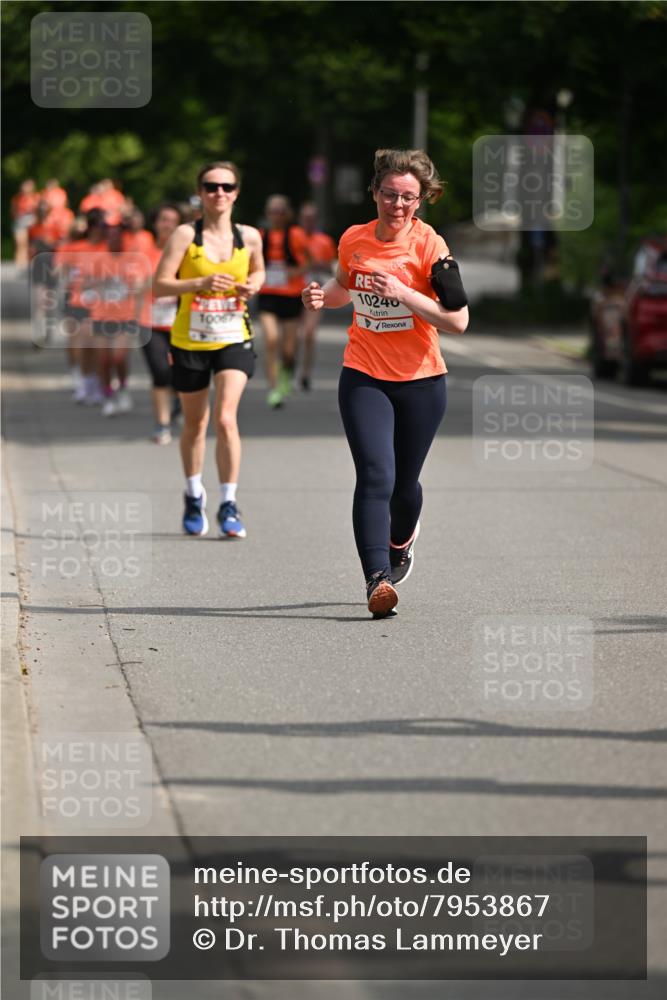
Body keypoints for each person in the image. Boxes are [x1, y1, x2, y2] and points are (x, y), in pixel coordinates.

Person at [302, 148, 469, 618]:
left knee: (404, 484)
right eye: (390, 195)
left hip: (420, 379)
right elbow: (344, 287)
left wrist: (404, 293)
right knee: (375, 475)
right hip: (363, 373)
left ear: (422, 201)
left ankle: (401, 541)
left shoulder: (430, 246)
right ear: (374, 193)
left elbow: (457, 320)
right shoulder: (354, 239)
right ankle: (377, 580)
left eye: (408, 198)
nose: (398, 205)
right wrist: (322, 297)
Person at [154, 161, 265, 538]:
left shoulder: (248, 236)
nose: (219, 193)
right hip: (190, 339)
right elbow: (160, 285)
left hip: (234, 335)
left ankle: (229, 503)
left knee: (226, 419)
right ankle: (193, 493)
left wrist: (253, 284)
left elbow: (259, 270)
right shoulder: (186, 235)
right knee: (195, 423)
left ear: (236, 192)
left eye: (226, 186)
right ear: (200, 192)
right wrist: (199, 281)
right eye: (211, 186)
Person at [136, 203, 182, 443]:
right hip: (150, 321)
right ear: (155, 223)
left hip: (180, 322)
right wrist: (159, 276)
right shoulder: (144, 252)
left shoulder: (186, 252)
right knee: (160, 372)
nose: (168, 225)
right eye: (164, 219)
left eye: (173, 220)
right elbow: (135, 286)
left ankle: (178, 402)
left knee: (181, 373)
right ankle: (162, 425)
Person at [258, 195, 309, 408]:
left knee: (288, 350)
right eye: (272, 211)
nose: (276, 215)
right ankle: (274, 388)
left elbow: (309, 262)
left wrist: (294, 272)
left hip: (290, 294)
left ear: (287, 213)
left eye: (280, 211)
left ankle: (286, 375)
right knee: (270, 339)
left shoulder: (296, 234)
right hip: (268, 293)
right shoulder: (261, 235)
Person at [297, 202, 337, 390]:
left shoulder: (325, 241)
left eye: (312, 219)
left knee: (309, 334)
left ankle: (305, 373)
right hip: (292, 290)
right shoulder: (293, 237)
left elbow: (330, 266)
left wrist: (318, 265)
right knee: (290, 335)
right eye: (306, 219)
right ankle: (288, 367)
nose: (308, 222)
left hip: (313, 288)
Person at [11, 179, 39, 268]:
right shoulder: (17, 198)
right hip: (20, 221)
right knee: (20, 243)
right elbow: (13, 211)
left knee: (30, 245)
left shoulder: (36, 198)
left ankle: (28, 264)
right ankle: (19, 264)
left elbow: (39, 212)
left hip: (33, 223)